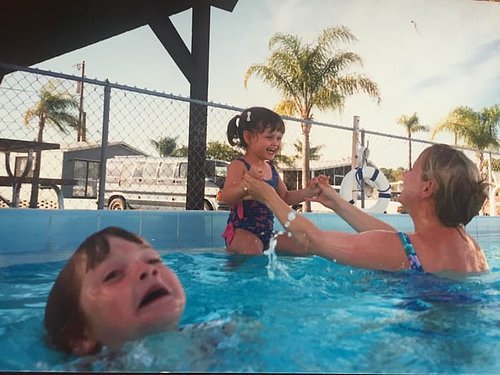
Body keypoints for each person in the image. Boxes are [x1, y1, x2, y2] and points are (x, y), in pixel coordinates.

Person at [241, 143, 490, 274]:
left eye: (413, 168)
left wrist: (268, 196)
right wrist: (336, 202)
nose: (404, 173)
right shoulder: (471, 248)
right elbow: (397, 242)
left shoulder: (407, 250)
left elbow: (312, 241)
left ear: (427, 188)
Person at [44, 226, 186, 356]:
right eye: (113, 275)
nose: (148, 270)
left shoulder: (206, 338)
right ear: (80, 336)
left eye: (153, 260)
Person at [221, 106, 326, 255]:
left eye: (279, 138)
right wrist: (245, 186)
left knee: (302, 245)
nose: (275, 143)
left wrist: (309, 191)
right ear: (249, 137)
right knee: (253, 248)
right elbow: (227, 198)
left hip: (266, 233)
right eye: (269, 137)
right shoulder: (239, 165)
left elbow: (285, 197)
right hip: (240, 232)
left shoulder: (271, 168)